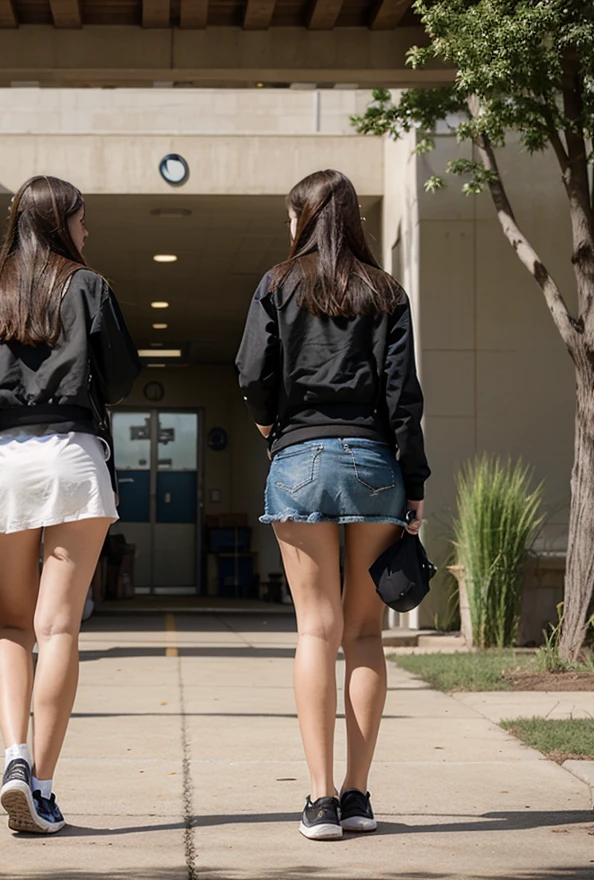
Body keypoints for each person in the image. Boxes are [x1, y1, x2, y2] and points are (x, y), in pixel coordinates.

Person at [0, 175, 141, 835]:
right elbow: (121, 376)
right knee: (59, 630)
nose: (87, 234)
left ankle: (14, 758)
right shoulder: (89, 288)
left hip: (2, 462)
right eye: (82, 223)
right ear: (60, 223)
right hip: (74, 459)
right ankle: (46, 790)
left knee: (11, 627)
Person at [236, 169, 429, 841]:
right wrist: (416, 482)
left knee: (314, 631)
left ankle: (318, 801)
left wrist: (271, 430)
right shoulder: (386, 292)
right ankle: (357, 795)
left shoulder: (276, 283)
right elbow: (404, 395)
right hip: (374, 463)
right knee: (365, 634)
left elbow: (252, 374)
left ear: (304, 217)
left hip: (298, 461)